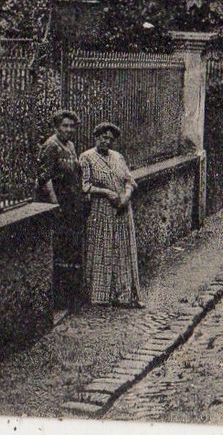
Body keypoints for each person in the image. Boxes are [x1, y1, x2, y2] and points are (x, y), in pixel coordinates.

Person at [79, 122, 142, 307]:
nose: (106, 141)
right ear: (96, 137)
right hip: (101, 210)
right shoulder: (87, 158)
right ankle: (100, 296)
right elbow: (85, 185)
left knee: (122, 251)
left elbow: (130, 180)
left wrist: (126, 196)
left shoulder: (118, 157)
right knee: (102, 250)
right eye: (103, 138)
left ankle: (123, 295)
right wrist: (107, 193)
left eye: (110, 139)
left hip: (122, 210)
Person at [36, 109, 84, 310]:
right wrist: (55, 204)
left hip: (72, 203)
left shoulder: (70, 146)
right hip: (59, 204)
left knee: (71, 249)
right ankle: (58, 300)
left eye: (72, 126)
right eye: (65, 125)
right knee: (60, 249)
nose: (69, 129)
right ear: (57, 127)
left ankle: (70, 297)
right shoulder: (51, 146)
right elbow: (45, 178)